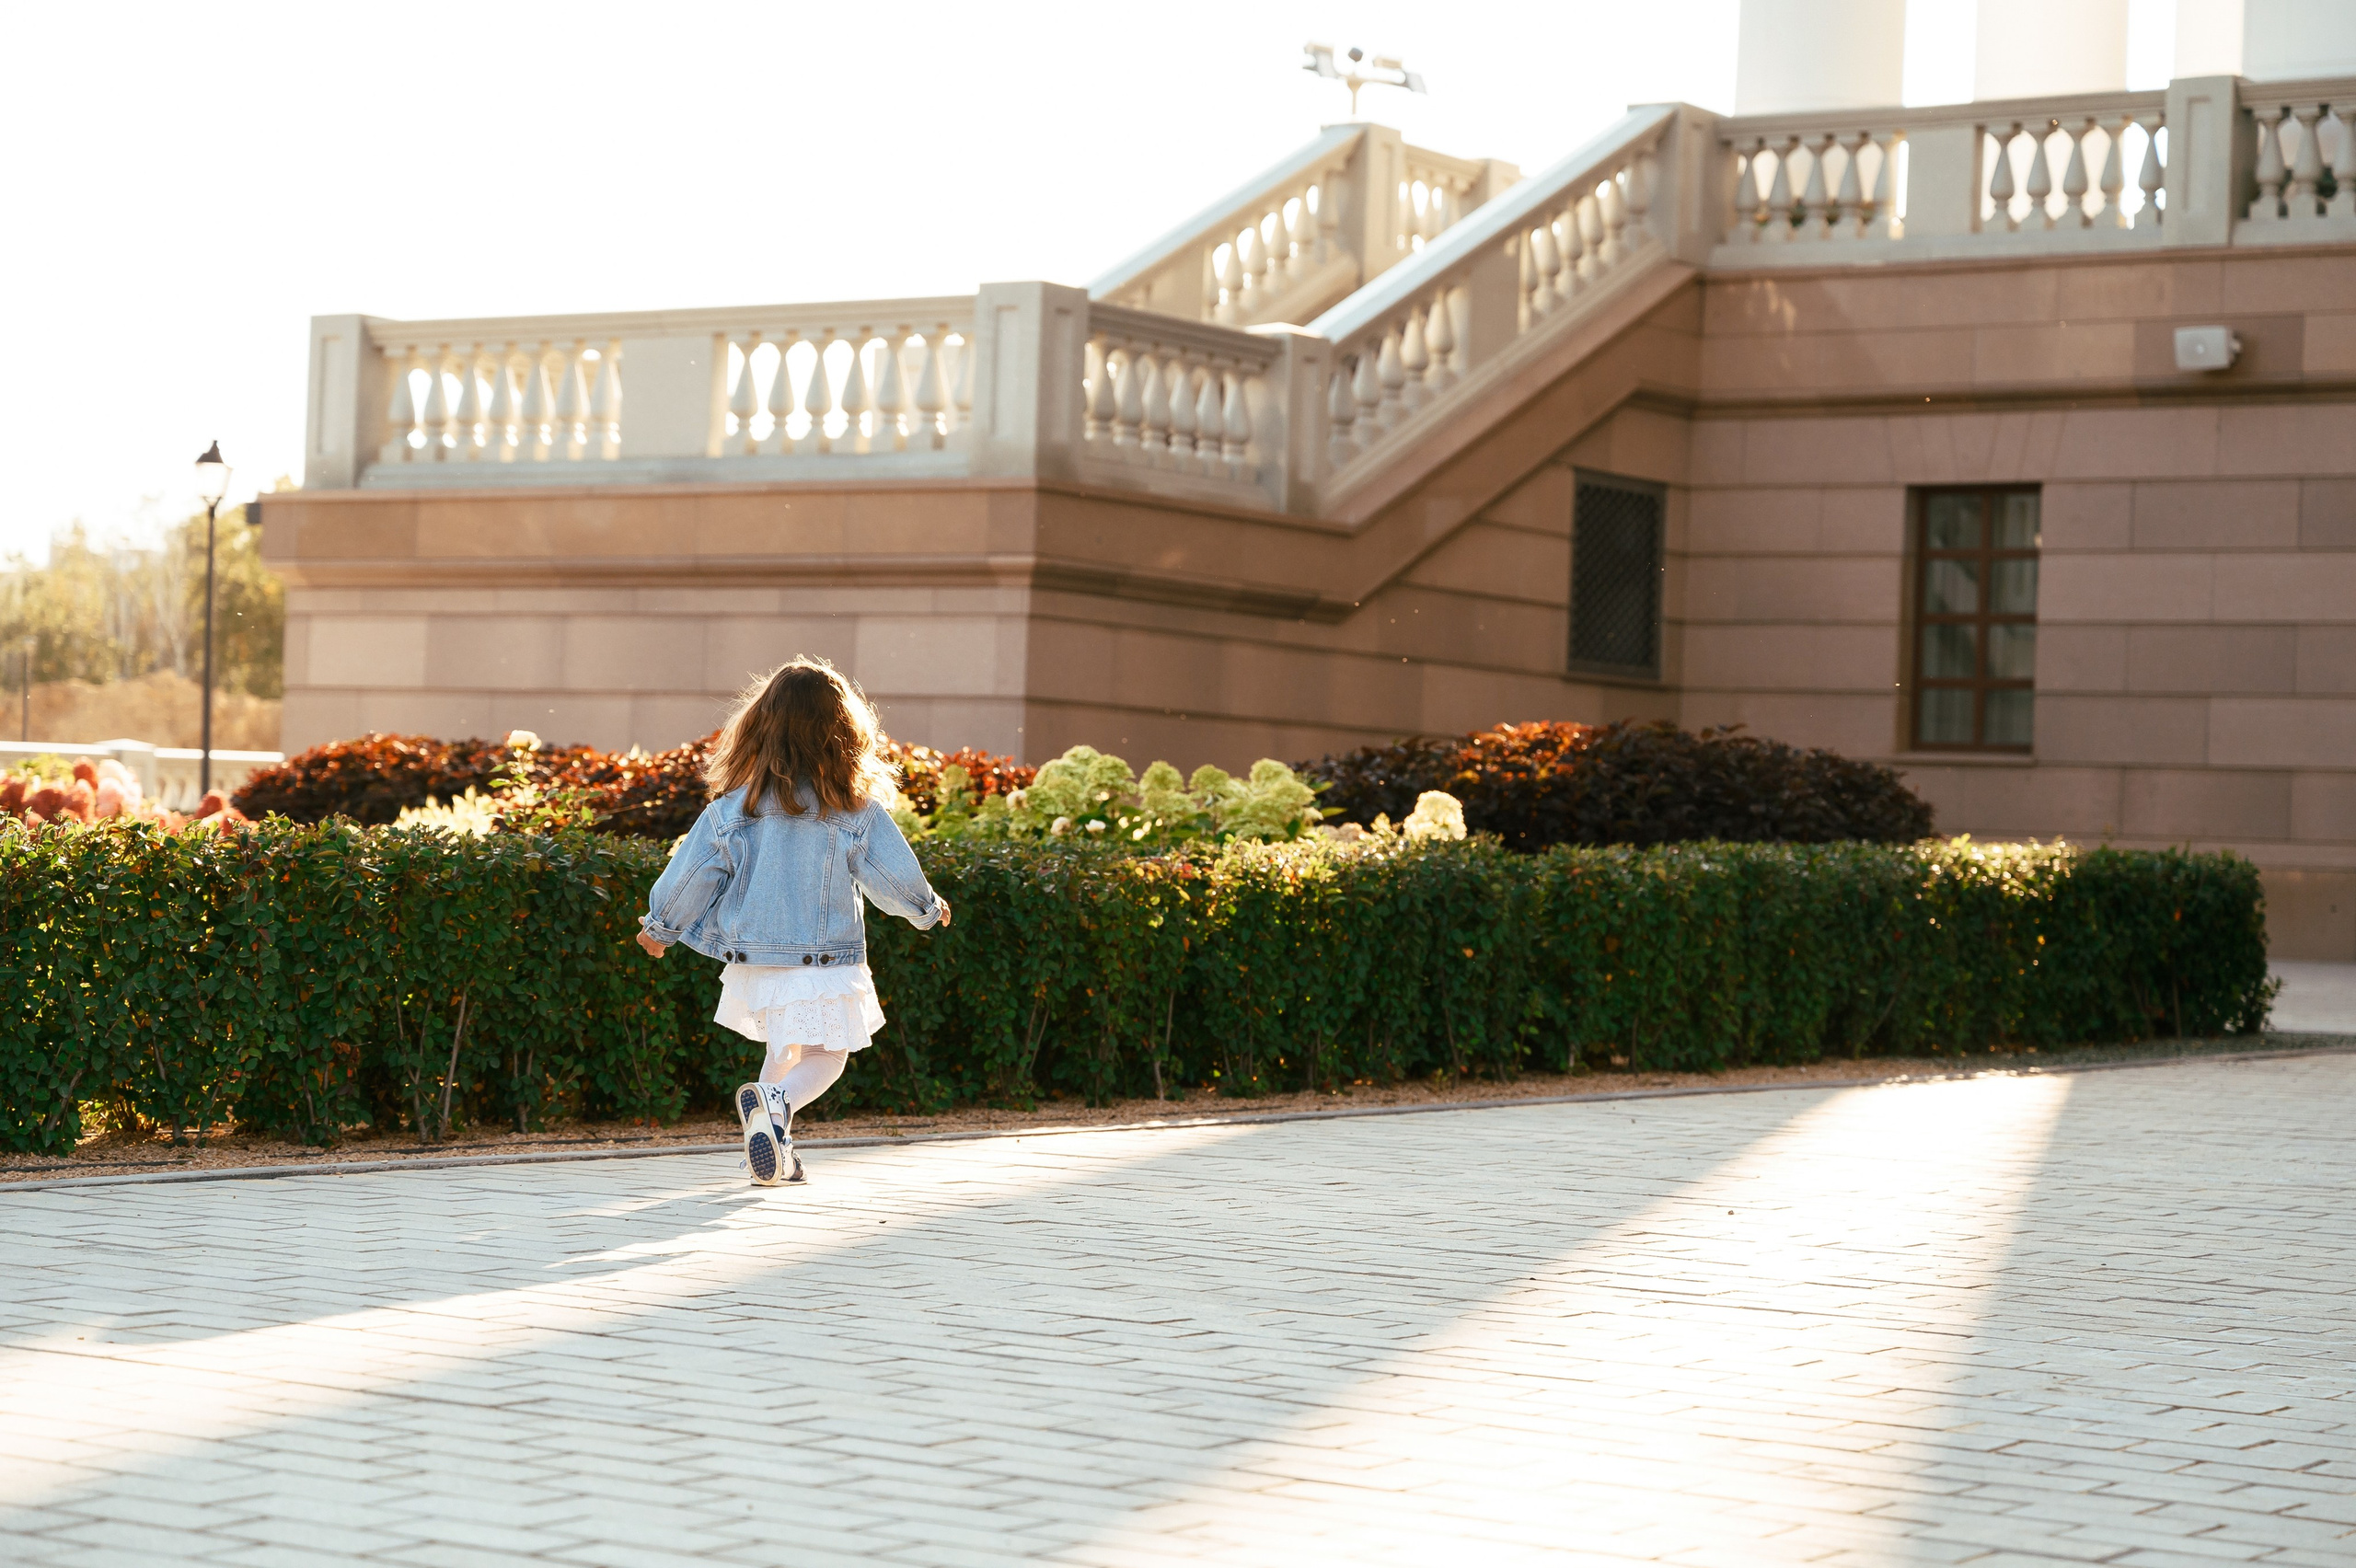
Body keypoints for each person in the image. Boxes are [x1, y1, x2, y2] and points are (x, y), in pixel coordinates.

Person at [635, 659, 950, 1186]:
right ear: (843, 735)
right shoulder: (854, 811)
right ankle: (775, 1105)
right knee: (828, 1056)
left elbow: (691, 874)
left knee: (783, 1050)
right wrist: (927, 908)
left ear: (760, 729)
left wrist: (660, 927)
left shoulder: (732, 810)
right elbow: (891, 877)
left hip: (756, 959)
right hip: (822, 959)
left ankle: (775, 1150)